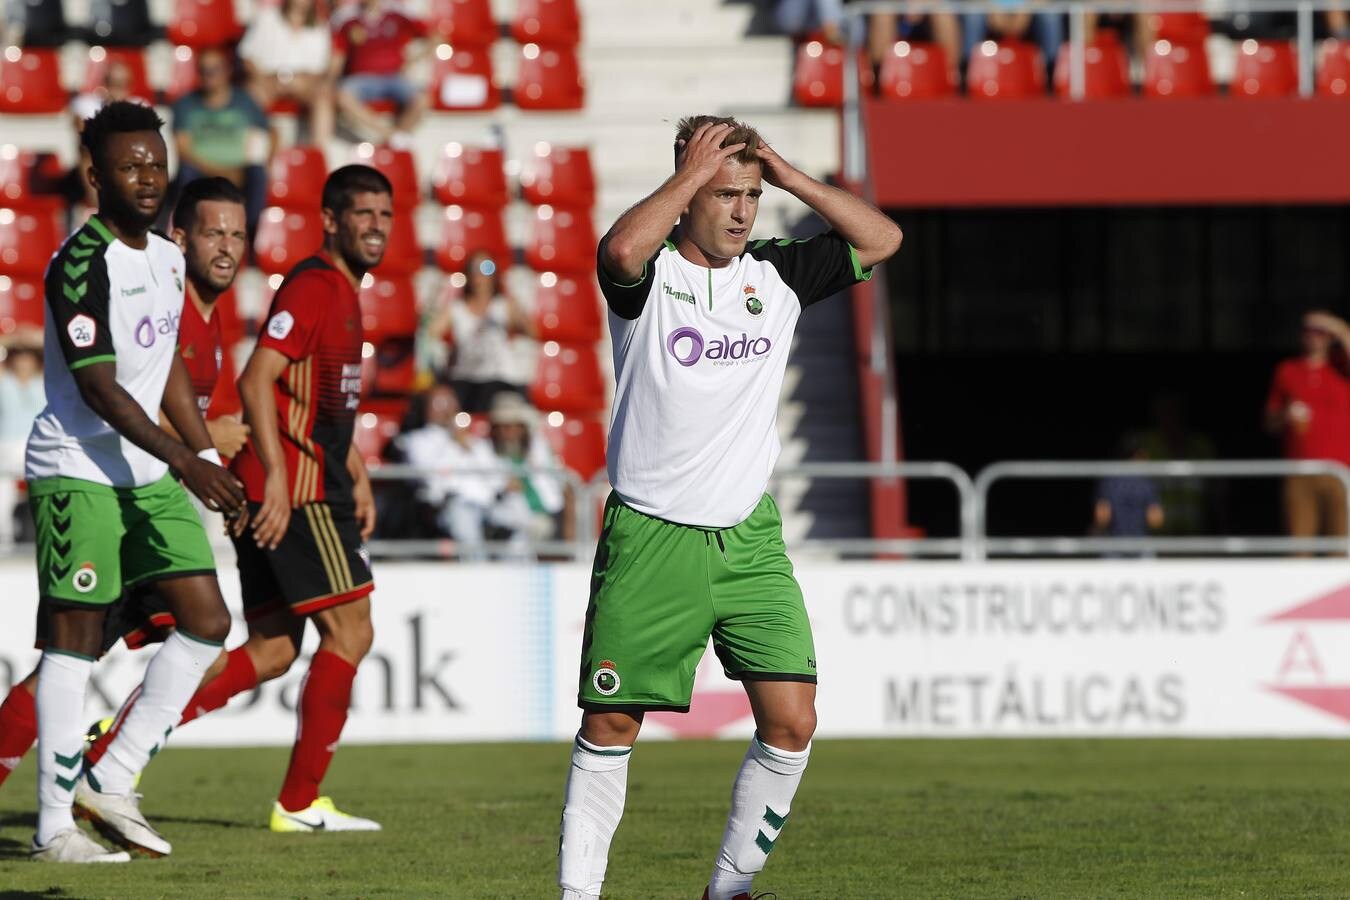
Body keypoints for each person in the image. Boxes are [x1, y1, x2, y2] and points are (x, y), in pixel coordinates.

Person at [555, 115, 902, 900]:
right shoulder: (647, 279)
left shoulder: (777, 272)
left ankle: (729, 890)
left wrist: (785, 172)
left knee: (793, 721)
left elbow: (881, 239)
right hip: (653, 534)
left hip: (748, 537)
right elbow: (616, 252)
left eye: (750, 195)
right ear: (686, 196)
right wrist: (687, 176)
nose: (741, 212)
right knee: (611, 727)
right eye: (724, 195)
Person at [21, 101, 248, 863]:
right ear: (95, 176)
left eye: (156, 163)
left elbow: (169, 369)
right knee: (75, 640)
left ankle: (111, 774)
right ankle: (53, 826)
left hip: (148, 471)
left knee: (207, 619)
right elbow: (101, 387)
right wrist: (189, 460)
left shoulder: (169, 256)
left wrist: (202, 456)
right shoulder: (77, 264)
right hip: (78, 470)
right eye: (130, 165)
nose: (147, 178)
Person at [133, 165, 390, 833]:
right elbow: (257, 380)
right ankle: (299, 804)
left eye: (385, 216)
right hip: (298, 494)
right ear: (331, 220)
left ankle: (119, 742)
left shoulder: (338, 292)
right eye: (362, 214)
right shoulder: (315, 288)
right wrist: (278, 476)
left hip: (299, 480)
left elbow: (305, 397)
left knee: (275, 648)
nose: (376, 227)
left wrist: (354, 462)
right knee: (352, 632)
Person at [74, 178, 252, 769]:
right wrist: (208, 447)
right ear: (177, 238)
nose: (227, 247)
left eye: (237, 234)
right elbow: (121, 400)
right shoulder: (168, 311)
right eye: (212, 233)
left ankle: (106, 759)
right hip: (122, 499)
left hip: (156, 503)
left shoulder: (208, 319)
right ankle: (106, 762)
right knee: (68, 655)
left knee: (207, 642)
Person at [1265, 310, 1350, 548]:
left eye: (1321, 332)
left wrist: (1340, 328)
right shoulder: (1288, 370)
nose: (1314, 337)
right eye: (1309, 331)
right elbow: (1269, 423)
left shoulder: (1341, 367)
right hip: (1300, 471)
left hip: (1340, 472)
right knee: (1299, 546)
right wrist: (1286, 415)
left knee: (1341, 547)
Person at [170, 48, 274, 238]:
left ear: (227, 71)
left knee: (258, 174)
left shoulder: (245, 102)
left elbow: (272, 133)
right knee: (186, 173)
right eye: (204, 70)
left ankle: (250, 237)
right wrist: (221, 172)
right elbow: (183, 149)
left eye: (214, 69)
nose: (209, 75)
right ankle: (186, 233)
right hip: (201, 169)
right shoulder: (185, 104)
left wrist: (266, 161)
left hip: (241, 169)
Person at [395, 381, 499, 546]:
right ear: (426, 408)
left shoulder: (476, 442)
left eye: (450, 402)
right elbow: (432, 479)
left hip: (488, 503)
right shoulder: (417, 441)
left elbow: (495, 479)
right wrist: (452, 443)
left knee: (517, 514)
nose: (447, 409)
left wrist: (467, 447)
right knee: (463, 519)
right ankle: (477, 570)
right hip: (449, 505)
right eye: (440, 403)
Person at [430, 250, 534, 413]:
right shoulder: (457, 308)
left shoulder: (503, 306)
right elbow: (431, 333)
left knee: (492, 398)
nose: (479, 274)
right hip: (465, 377)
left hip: (499, 377)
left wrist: (515, 302)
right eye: (474, 268)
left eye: (486, 268)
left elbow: (532, 332)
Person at [330, 0, 431, 147]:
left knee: (422, 100)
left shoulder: (398, 12)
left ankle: (387, 144)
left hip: (394, 77)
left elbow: (435, 37)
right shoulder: (347, 17)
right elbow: (338, 54)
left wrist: (413, 61)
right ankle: (391, 136)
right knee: (342, 96)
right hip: (361, 79)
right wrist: (331, 79)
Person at [238, 0, 335, 145]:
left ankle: (318, 154)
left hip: (304, 83)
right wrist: (264, 79)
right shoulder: (266, 18)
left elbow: (321, 69)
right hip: (268, 81)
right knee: (250, 96)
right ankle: (249, 153)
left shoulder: (320, 26)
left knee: (323, 97)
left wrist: (300, 81)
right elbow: (247, 56)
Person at [484, 391, 565, 558]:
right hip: (506, 518)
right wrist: (504, 487)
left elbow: (555, 486)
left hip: (544, 512)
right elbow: (487, 490)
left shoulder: (538, 447)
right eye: (503, 426)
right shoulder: (485, 451)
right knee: (519, 542)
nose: (509, 431)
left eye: (514, 425)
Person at [0, 344, 45, 549]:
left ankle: (42, 537)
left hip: (38, 447)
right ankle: (4, 540)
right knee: (3, 497)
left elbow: (56, 348)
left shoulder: (43, 381)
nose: (23, 362)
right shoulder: (5, 381)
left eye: (28, 357)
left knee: (43, 496)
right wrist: (15, 339)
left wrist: (27, 337)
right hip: (7, 449)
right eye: (19, 356)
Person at [1092, 434, 1164, 555]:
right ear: (1140, 454)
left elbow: (1102, 517)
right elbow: (1155, 520)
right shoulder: (1147, 483)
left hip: (1115, 546)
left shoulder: (1109, 481)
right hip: (1141, 547)